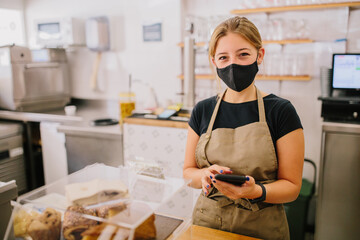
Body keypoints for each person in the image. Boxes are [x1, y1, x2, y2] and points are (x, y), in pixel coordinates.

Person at [183, 16, 304, 240]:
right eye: (223, 57)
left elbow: (292, 187)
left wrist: (256, 191)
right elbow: (188, 172)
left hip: (261, 228)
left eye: (243, 54)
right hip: (208, 225)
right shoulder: (202, 110)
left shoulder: (281, 111)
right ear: (214, 62)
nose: (233, 64)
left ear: (260, 55)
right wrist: (204, 175)